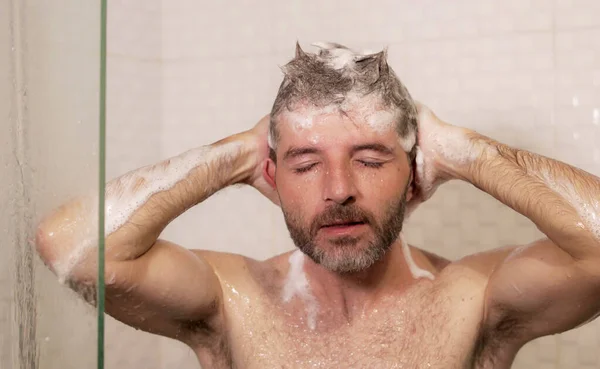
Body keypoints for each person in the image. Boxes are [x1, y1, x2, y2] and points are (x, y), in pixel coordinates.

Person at [36, 42, 600, 369]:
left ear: (416, 174)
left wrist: (467, 151)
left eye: (372, 160)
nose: (337, 189)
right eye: (305, 165)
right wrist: (234, 155)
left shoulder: (472, 298)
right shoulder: (233, 301)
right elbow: (70, 248)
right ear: (272, 176)